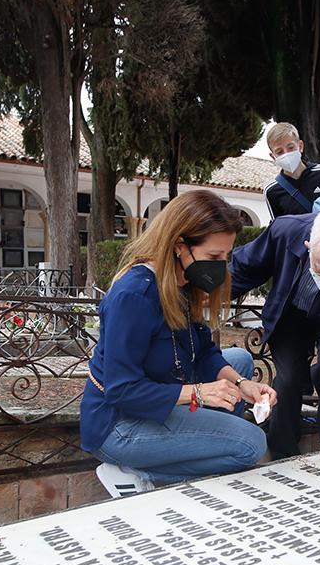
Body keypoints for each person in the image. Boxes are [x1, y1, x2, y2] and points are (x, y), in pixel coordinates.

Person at [82, 190, 277, 497]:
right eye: (214, 257)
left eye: (226, 256)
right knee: (251, 444)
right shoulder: (133, 296)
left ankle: (202, 439)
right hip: (120, 425)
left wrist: (243, 385)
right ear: (179, 246)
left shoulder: (182, 282)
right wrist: (200, 393)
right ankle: (139, 472)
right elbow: (122, 391)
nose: (221, 266)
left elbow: (205, 352)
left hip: (157, 398)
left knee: (238, 360)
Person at [229, 212, 320, 460]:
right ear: (308, 247)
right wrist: (207, 289)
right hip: (290, 313)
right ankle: (282, 451)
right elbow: (247, 266)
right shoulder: (286, 231)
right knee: (288, 379)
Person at [262, 122, 320, 220]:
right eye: (279, 152)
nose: (286, 154)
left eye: (290, 147)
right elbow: (280, 229)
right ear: (273, 156)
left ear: (300, 146)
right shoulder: (271, 191)